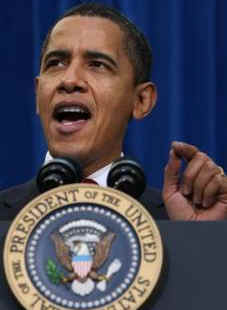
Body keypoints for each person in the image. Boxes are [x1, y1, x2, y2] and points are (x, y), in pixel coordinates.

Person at [0, 2, 227, 221]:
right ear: (38, 95)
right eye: (56, 62)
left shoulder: (175, 218)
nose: (69, 80)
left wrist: (201, 238)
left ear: (141, 100)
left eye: (97, 64)